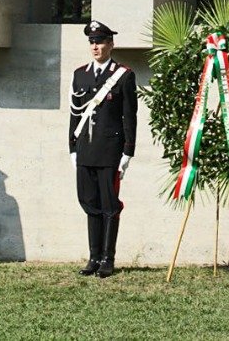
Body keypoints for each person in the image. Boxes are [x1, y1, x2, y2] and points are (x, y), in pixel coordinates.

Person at [68, 20, 137, 278]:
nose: (95, 47)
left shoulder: (124, 75)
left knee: (109, 205)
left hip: (110, 150)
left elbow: (129, 116)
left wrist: (128, 151)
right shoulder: (80, 74)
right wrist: (72, 146)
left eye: (100, 42)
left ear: (111, 44)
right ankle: (94, 257)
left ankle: (108, 259)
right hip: (85, 148)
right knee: (89, 202)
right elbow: (75, 113)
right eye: (92, 42)